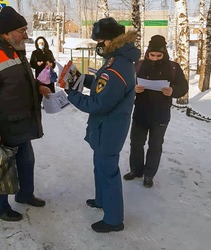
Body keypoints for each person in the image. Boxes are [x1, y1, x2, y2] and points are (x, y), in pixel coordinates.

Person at [0, 6, 51, 221]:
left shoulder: (15, 48)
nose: (26, 34)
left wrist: (37, 86)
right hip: (1, 127)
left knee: (26, 162)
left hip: (20, 123)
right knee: (0, 167)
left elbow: (16, 81)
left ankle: (25, 194)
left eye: (26, 29)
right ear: (5, 33)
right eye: (21, 30)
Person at [65, 17, 141, 232]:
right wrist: (78, 78)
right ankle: (102, 200)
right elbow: (101, 81)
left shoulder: (117, 66)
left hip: (109, 129)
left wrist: (72, 94)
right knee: (100, 167)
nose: (98, 45)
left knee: (108, 172)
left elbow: (98, 104)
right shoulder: (115, 61)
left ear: (110, 41)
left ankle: (114, 220)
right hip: (105, 128)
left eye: (100, 41)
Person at [123, 35, 188, 188]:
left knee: (155, 146)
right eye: (152, 55)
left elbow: (183, 86)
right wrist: (134, 89)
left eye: (159, 55)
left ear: (164, 53)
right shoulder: (138, 65)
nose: (155, 58)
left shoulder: (173, 67)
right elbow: (127, 84)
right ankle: (136, 170)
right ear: (147, 53)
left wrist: (173, 90)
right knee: (136, 144)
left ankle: (149, 175)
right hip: (140, 113)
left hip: (161, 115)